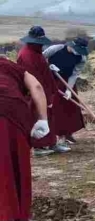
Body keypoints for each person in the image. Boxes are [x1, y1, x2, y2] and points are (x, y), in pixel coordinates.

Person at [0, 55, 49, 221]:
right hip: (13, 112)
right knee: (15, 162)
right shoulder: (10, 66)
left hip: (12, 112)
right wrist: (43, 119)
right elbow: (36, 86)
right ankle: (18, 219)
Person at [17, 26, 61, 156]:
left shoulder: (36, 51)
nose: (41, 45)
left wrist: (48, 68)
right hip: (36, 93)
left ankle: (52, 143)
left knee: (49, 117)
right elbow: (35, 80)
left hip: (45, 90)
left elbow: (42, 70)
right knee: (38, 117)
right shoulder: (26, 55)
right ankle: (39, 147)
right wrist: (44, 96)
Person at [43, 37, 89, 150]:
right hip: (51, 80)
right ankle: (60, 136)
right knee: (57, 108)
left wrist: (69, 89)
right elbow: (40, 58)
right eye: (77, 50)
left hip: (67, 81)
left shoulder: (81, 58)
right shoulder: (56, 49)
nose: (78, 52)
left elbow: (74, 74)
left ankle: (68, 133)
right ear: (72, 45)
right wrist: (47, 67)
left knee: (71, 108)